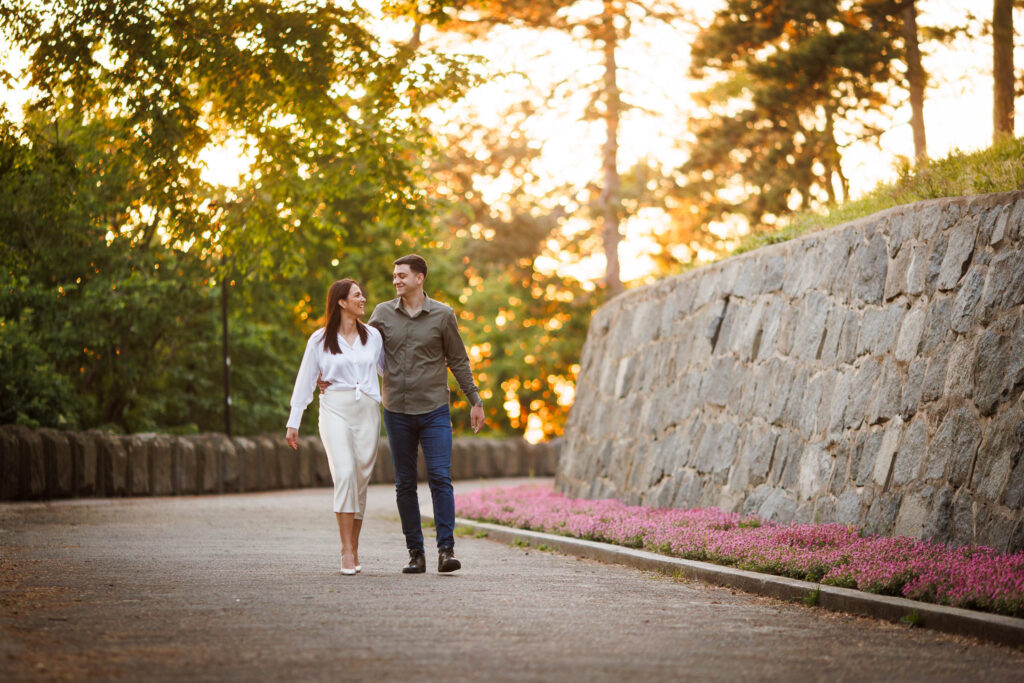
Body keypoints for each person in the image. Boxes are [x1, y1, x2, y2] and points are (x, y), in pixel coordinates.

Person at [323, 254, 484, 574]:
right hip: (396, 410)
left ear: (420, 278)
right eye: (394, 276)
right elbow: (357, 344)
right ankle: (415, 553)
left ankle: (445, 550)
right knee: (405, 483)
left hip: (435, 409)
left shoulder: (443, 315)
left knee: (440, 477)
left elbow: (458, 359)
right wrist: (326, 370)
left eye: (401, 275)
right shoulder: (382, 314)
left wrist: (474, 400)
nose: (395, 280)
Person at [286, 278, 384, 576]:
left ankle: (354, 547)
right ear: (341, 301)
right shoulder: (319, 340)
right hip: (334, 410)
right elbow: (306, 378)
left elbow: (388, 370)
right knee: (344, 474)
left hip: (368, 411)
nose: (363, 299)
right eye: (357, 295)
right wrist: (294, 421)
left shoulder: (374, 336)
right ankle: (345, 550)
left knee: (360, 481)